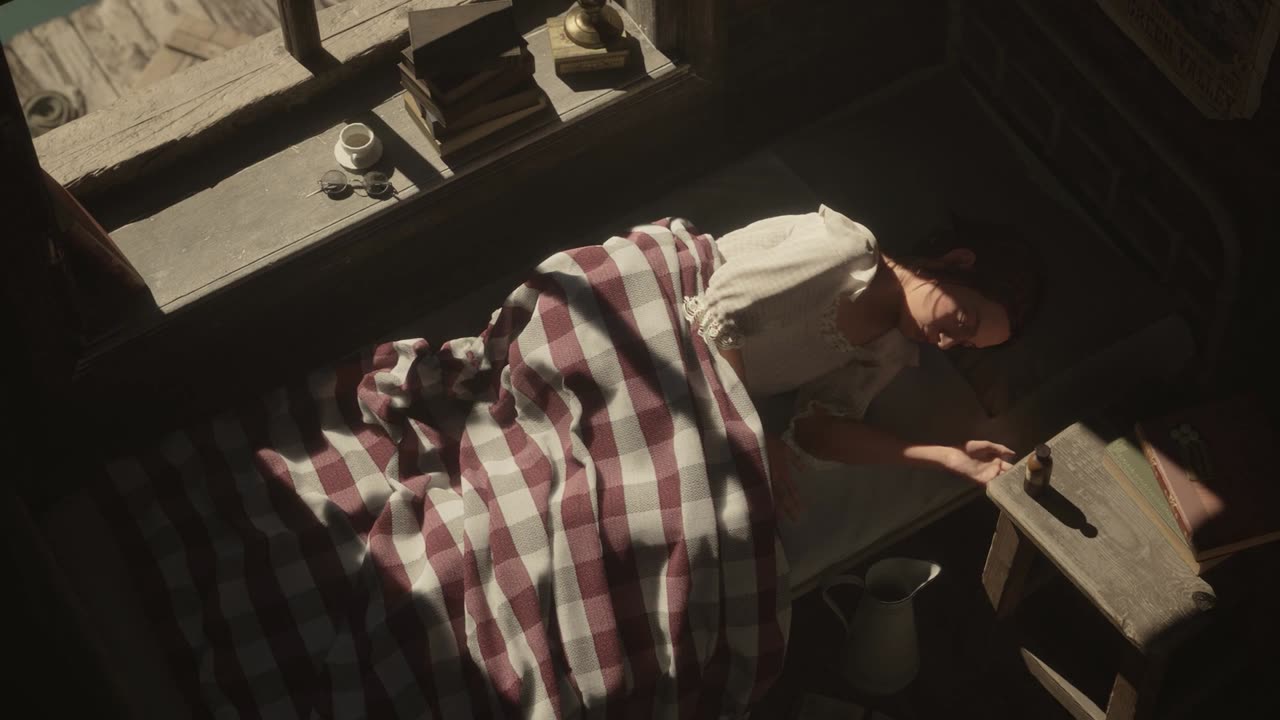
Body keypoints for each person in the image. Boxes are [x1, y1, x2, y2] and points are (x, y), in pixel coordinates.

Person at [683, 204, 1043, 518]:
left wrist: (947, 457)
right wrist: (753, 433)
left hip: (700, 389)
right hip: (673, 315)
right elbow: (715, 313)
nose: (946, 342)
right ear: (958, 262)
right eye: (963, 320)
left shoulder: (888, 349)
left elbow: (816, 432)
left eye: (963, 344)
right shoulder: (850, 252)